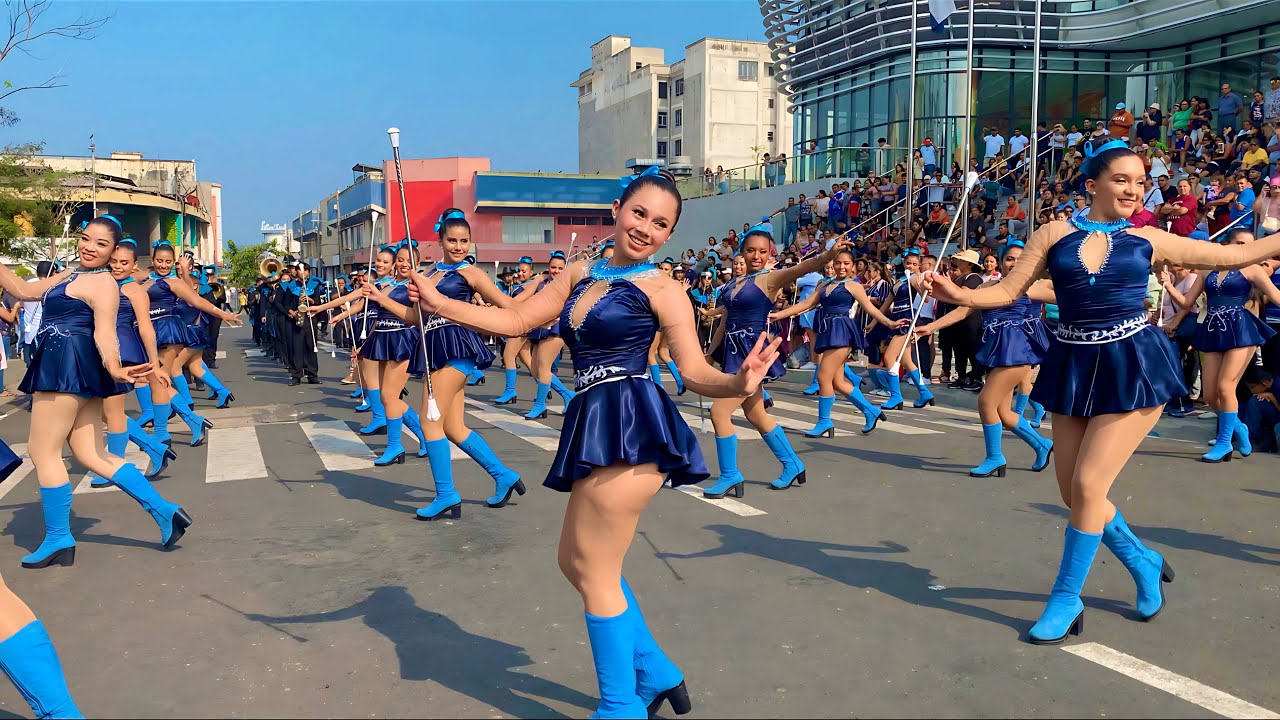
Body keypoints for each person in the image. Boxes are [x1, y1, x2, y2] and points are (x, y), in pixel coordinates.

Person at [409, 168, 779, 717]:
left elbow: (696, 370)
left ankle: (619, 707)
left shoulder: (665, 289)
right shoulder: (582, 271)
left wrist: (739, 383)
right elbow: (515, 318)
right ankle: (654, 671)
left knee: (598, 570)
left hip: (634, 424)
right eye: (639, 214)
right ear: (616, 209)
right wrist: (440, 303)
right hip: (592, 420)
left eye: (661, 224)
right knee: (573, 562)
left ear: (668, 235)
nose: (646, 229)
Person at [925, 133, 1280, 645]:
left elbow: (1221, 258)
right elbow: (1007, 290)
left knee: (1090, 488)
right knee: (1074, 494)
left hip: (1134, 363)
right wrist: (958, 291)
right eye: (1122, 180)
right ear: (1092, 184)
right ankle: (1142, 560)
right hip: (1073, 363)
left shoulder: (1151, 238)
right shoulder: (1052, 234)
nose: (1135, 190)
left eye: (1141, 182)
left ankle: (1066, 599)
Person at [5, 218, 194, 569]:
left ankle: (59, 537)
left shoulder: (104, 283)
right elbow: (25, 291)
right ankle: (165, 511)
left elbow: (105, 333)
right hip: (72, 365)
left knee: (42, 451)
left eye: (101, 244)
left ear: (113, 252)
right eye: (85, 238)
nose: (89, 247)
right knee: (91, 453)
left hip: (66, 364)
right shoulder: (70, 275)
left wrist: (115, 368)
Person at [397, 209, 526, 518]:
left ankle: (446, 495)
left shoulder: (471, 274)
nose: (458, 246)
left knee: (430, 422)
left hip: (458, 346)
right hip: (433, 348)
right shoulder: (428, 274)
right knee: (453, 426)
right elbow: (416, 318)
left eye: (464, 241)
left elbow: (509, 306)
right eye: (452, 240)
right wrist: (385, 298)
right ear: (440, 240)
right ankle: (503, 476)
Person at [700, 227, 846, 498]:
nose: (756, 256)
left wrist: (828, 255)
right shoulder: (733, 284)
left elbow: (805, 267)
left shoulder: (769, 279)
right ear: (741, 252)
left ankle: (730, 475)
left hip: (753, 355)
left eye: (762, 251)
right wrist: (710, 353)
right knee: (756, 414)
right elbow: (725, 322)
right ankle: (793, 464)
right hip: (733, 354)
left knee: (719, 412)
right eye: (750, 250)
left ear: (770, 254)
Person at [916, 243, 1054, 476]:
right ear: (1001, 262)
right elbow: (964, 309)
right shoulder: (989, 285)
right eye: (1009, 259)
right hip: (995, 349)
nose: (1014, 264)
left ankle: (995, 457)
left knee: (986, 403)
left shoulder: (1036, 285)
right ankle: (1042, 444)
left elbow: (1071, 297)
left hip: (1019, 350)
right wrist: (930, 327)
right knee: (1004, 413)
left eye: (1020, 260)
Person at [1163, 227, 1280, 461]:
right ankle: (1239, 427)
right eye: (1237, 243)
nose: (1242, 249)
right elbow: (1187, 302)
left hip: (1241, 329)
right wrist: (1167, 284)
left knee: (1226, 387)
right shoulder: (1209, 270)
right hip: (1213, 329)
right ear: (1227, 243)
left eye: (1247, 245)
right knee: (1210, 396)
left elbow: (1277, 297)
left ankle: (1225, 443)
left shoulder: (1254, 270)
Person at [770, 247, 902, 435]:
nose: (841, 267)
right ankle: (871, 411)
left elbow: (871, 309)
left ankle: (824, 422)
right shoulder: (825, 285)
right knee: (838, 381)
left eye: (846, 264)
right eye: (838, 263)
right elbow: (805, 304)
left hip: (842, 331)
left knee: (824, 377)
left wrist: (890, 323)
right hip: (827, 330)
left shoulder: (854, 285)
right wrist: (779, 315)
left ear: (853, 266)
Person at [91, 237, 176, 487]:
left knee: (112, 412)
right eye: (113, 261)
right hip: (99, 352)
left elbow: (146, 329)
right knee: (104, 413)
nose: (117, 266)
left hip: (124, 352)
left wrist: (154, 364)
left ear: (134, 265)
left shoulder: (135, 290)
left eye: (124, 262)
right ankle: (153, 448)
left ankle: (115, 467)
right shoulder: (101, 284)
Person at [144, 243, 238, 448]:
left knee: (160, 382)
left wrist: (224, 314)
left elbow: (196, 301)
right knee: (160, 381)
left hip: (167, 333)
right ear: (152, 260)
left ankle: (163, 432)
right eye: (159, 261)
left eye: (168, 262)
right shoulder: (144, 278)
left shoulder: (173, 282)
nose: (163, 265)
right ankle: (193, 421)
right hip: (148, 333)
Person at [514, 249, 578, 419]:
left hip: (557, 329)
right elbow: (527, 297)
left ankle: (540, 405)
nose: (556, 271)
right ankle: (567, 395)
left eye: (560, 268)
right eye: (553, 267)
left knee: (543, 367)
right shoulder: (542, 283)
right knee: (535, 370)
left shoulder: (571, 286)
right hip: (539, 329)